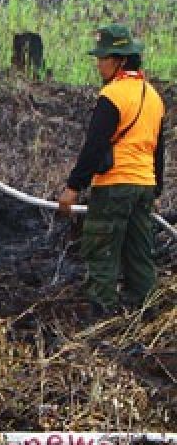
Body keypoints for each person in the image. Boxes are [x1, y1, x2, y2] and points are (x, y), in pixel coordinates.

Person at [58, 23, 165, 317]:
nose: (98, 64)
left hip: (114, 185)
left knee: (101, 251)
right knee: (139, 254)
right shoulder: (154, 96)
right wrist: (155, 190)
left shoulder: (113, 96)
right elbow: (159, 150)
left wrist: (73, 187)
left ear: (120, 61)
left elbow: (94, 147)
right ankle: (145, 315)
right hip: (143, 186)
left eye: (103, 58)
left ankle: (102, 320)